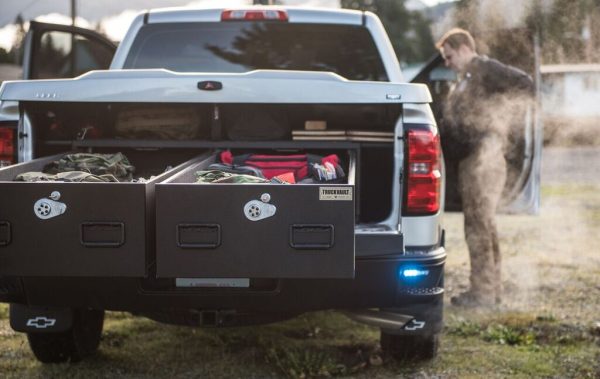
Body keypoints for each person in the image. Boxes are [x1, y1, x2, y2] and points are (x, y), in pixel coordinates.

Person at [435, 28, 534, 307]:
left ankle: (483, 294)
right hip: (473, 162)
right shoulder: (466, 78)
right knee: (482, 225)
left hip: (485, 161)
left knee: (478, 226)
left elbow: (524, 83)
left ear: (465, 48)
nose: (447, 62)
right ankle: (490, 290)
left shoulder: (484, 69)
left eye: (449, 55)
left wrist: (496, 125)